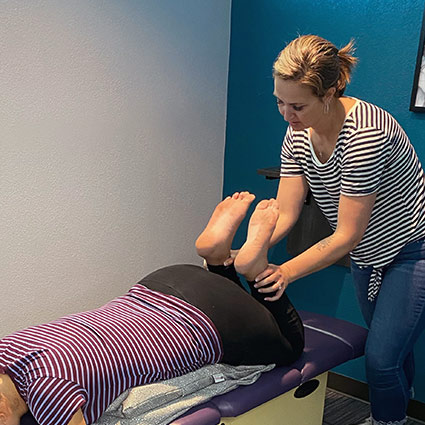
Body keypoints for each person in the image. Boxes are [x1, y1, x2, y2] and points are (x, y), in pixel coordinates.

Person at [0, 192, 304, 425]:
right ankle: (217, 258)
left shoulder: (49, 395)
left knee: (290, 346)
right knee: (242, 308)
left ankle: (254, 270)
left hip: (210, 321)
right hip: (163, 282)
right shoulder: (6, 348)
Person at [245, 34, 425, 425]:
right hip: (368, 255)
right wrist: (250, 246)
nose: (286, 114)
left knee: (380, 359)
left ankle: (387, 420)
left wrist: (285, 272)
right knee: (393, 352)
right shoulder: (297, 132)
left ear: (329, 93)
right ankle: (400, 408)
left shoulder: (365, 133)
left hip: (412, 251)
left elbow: (346, 235)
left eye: (297, 105)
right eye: (279, 101)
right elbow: (287, 211)